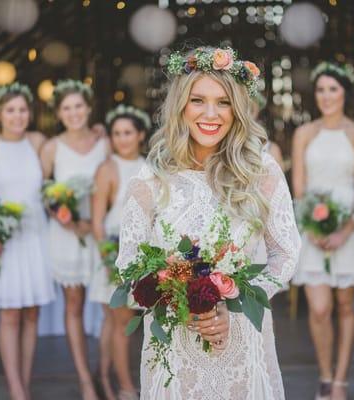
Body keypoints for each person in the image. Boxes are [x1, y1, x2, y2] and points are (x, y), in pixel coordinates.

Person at [115, 47, 300, 399]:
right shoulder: (150, 180)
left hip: (242, 339)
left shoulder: (260, 171)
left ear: (238, 109)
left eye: (224, 102)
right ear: (180, 106)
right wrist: (177, 300)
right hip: (174, 349)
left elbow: (285, 254)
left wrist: (235, 304)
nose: (211, 114)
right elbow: (128, 267)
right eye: (198, 100)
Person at [291, 61, 354, 400]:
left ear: (344, 93)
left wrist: (345, 231)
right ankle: (324, 376)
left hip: (348, 229)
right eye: (321, 90)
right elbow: (298, 188)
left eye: (333, 89)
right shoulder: (304, 133)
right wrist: (310, 227)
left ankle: (340, 380)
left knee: (344, 306)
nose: (326, 96)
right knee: (320, 308)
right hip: (312, 228)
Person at [0, 83, 55, 400]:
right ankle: (16, 390)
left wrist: (100, 135)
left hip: (35, 235)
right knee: (9, 314)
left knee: (32, 312)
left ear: (30, 113)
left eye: (23, 110)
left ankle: (25, 382)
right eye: (10, 110)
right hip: (3, 239)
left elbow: (62, 161)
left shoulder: (39, 142)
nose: (17, 116)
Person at [40, 79, 110, 400]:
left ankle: (105, 373)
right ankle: (84, 379)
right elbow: (44, 193)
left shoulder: (103, 142)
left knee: (111, 305)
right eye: (66, 108)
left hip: (100, 233)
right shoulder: (52, 148)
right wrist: (65, 217)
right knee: (74, 304)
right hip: (67, 235)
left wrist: (94, 220)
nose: (74, 113)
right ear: (58, 113)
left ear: (88, 108)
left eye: (78, 106)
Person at [89, 105, 148, 400]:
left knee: (139, 324)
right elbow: (98, 221)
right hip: (115, 256)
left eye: (128, 133)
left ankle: (109, 379)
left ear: (140, 135)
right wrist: (109, 259)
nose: (122, 139)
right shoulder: (108, 169)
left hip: (146, 257)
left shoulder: (152, 166)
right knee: (121, 323)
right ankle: (125, 388)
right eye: (116, 134)